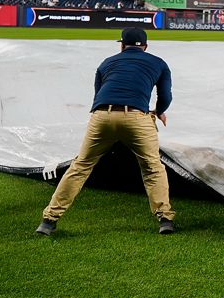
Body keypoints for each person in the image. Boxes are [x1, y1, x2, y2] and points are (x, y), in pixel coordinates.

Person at [35, 27, 175, 236]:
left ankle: (49, 220)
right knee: (152, 167)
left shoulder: (107, 63)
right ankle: (165, 219)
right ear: (145, 47)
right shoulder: (158, 63)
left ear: (121, 45)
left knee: (80, 166)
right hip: (136, 117)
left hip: (102, 115)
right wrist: (159, 112)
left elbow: (98, 96)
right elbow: (165, 97)